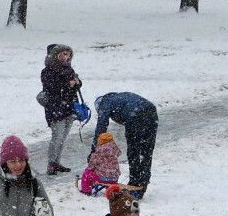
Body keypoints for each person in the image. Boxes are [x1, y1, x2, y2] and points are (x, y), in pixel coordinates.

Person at [92, 90, 159, 194]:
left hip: (135, 115)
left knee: (134, 151)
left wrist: (94, 149)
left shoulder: (105, 103)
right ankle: (143, 182)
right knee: (147, 151)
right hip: (151, 111)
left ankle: (134, 182)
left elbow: (101, 126)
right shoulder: (118, 97)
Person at [39, 43, 84, 173]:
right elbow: (53, 88)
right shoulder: (47, 71)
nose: (67, 57)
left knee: (63, 137)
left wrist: (76, 83)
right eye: (64, 54)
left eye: (68, 54)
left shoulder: (69, 69)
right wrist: (68, 84)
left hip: (68, 107)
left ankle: (56, 162)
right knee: (57, 136)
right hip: (55, 108)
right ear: (56, 56)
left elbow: (78, 84)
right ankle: (51, 163)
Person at [77, 130, 122, 197]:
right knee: (109, 169)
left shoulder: (99, 151)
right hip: (114, 178)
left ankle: (86, 190)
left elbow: (91, 166)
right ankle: (111, 186)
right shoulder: (114, 150)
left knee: (87, 173)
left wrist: (91, 168)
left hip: (102, 178)